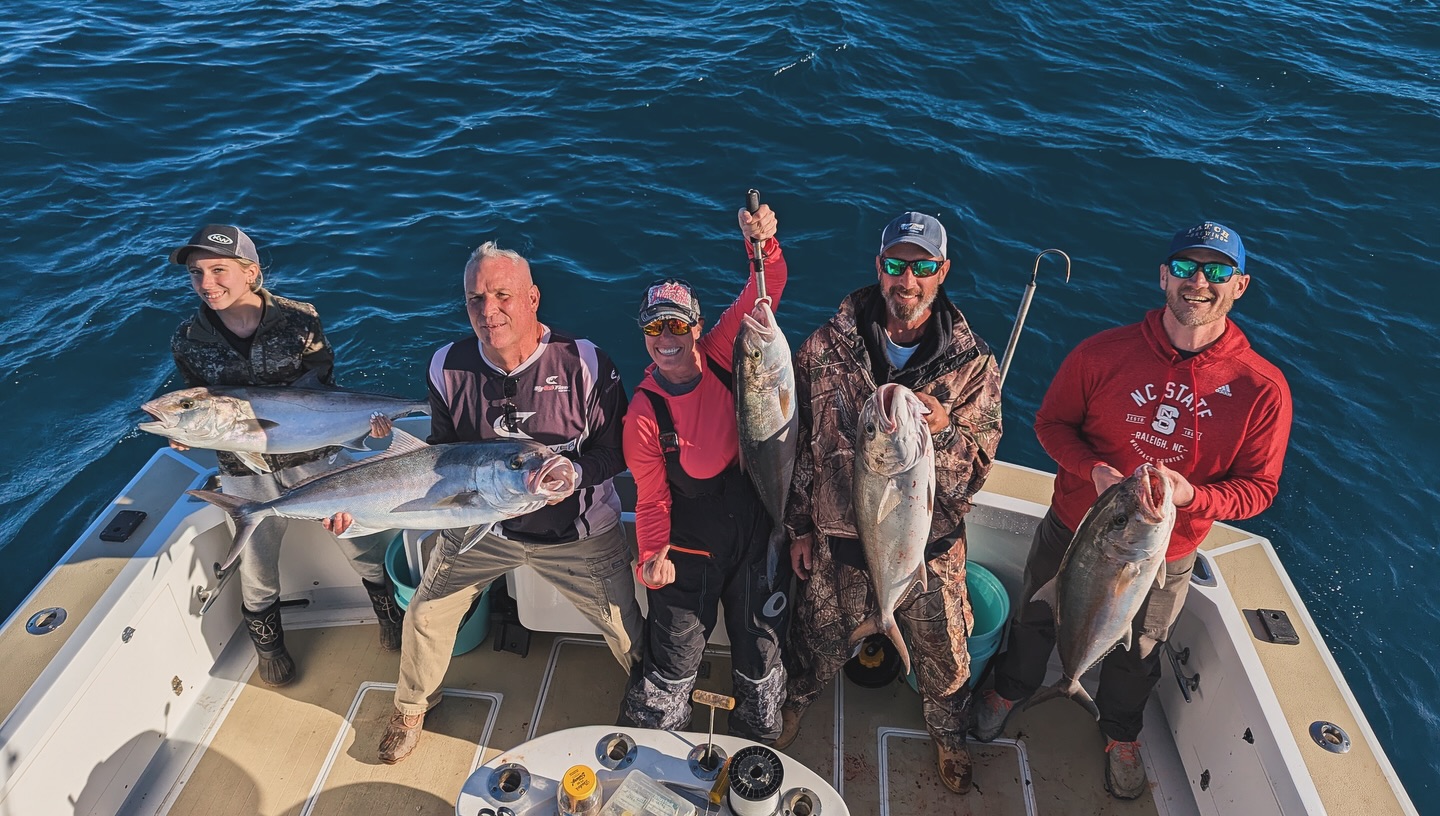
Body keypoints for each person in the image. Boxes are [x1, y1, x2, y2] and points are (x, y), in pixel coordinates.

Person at [973, 221, 1293, 800]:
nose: (1200, 281)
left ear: (1239, 285)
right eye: (1187, 268)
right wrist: (1093, 471)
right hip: (1073, 530)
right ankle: (1010, 688)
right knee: (1036, 616)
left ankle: (1120, 733)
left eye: (1217, 271)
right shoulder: (1102, 353)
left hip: (1165, 554)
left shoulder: (1262, 388)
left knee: (1140, 649)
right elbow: (1050, 426)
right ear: (1164, 276)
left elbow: (1259, 489)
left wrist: (1194, 497)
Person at [365, 239, 643, 765]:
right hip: (485, 530)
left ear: (533, 297)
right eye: (475, 299)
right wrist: (364, 504)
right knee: (424, 612)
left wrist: (577, 471)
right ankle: (410, 707)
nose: (488, 312)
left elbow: (618, 453)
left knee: (625, 626)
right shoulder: (447, 366)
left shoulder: (583, 363)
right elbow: (441, 458)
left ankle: (653, 701)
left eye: (502, 296)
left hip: (576, 533)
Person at [777, 212, 1003, 794]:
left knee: (947, 657)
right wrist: (800, 526)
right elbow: (796, 445)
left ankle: (947, 730)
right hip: (836, 542)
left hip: (928, 548)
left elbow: (972, 474)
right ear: (879, 268)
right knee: (816, 638)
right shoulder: (825, 348)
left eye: (923, 266)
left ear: (942, 272)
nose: (908, 279)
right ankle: (796, 699)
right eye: (897, 264)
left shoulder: (974, 365)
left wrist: (946, 427)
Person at [166, 224, 403, 687]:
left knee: (359, 541)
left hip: (314, 459)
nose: (206, 283)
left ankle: (389, 615)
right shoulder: (188, 337)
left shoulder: (300, 319)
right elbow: (194, 401)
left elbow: (324, 387)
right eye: (196, 274)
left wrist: (365, 428)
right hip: (241, 467)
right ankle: (268, 645)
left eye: (219, 270)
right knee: (255, 560)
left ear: (250, 272)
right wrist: (184, 432)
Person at [619, 205, 789, 742]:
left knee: (759, 648)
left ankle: (756, 735)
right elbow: (650, 500)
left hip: (754, 528)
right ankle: (658, 738)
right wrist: (650, 557)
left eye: (676, 324)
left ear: (697, 326)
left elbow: (769, 284)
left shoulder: (723, 352)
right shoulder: (643, 414)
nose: (665, 337)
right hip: (687, 548)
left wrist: (760, 242)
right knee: (670, 659)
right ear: (643, 333)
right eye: (653, 326)